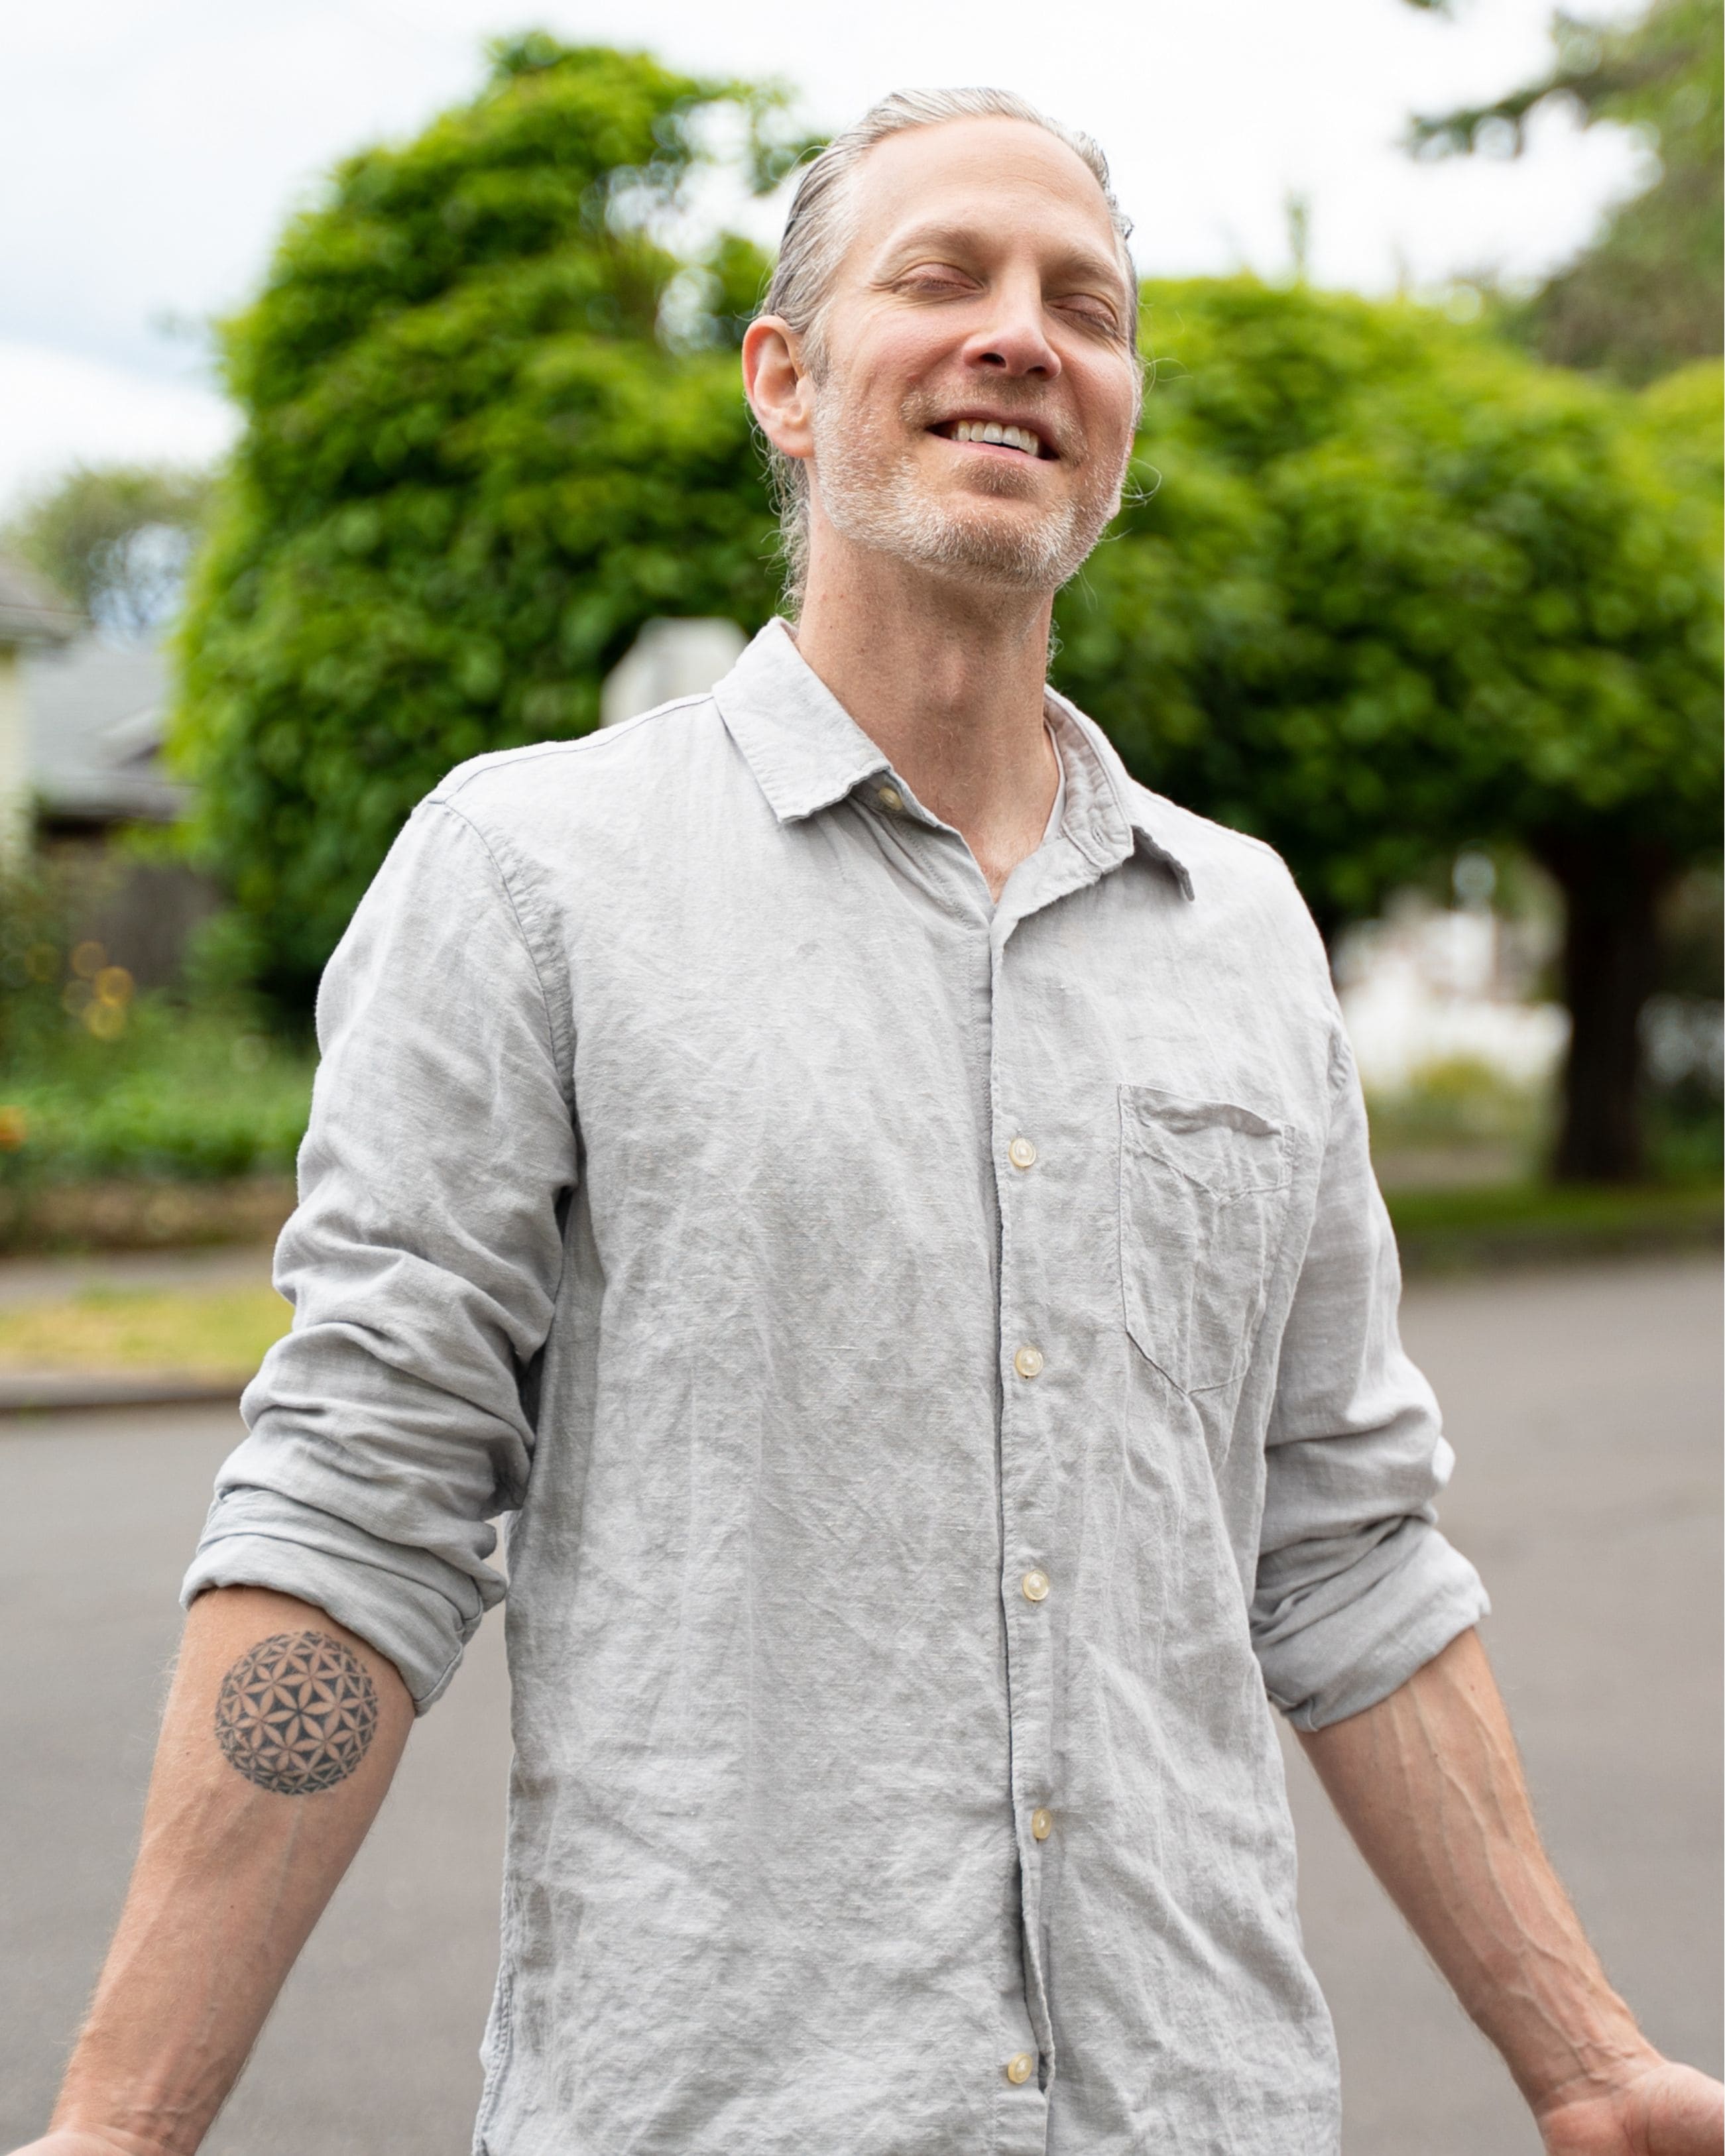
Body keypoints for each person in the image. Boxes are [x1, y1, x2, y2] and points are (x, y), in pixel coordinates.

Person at [20, 88, 1722, 2156]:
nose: (1024, 334)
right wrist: (122, 2127)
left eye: (1082, 305)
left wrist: (1585, 2060)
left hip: (1206, 2112)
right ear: (785, 381)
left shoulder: (1246, 930)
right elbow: (356, 1513)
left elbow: (1343, 1548)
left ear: (1115, 416)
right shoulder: (532, 877)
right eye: (943, 278)